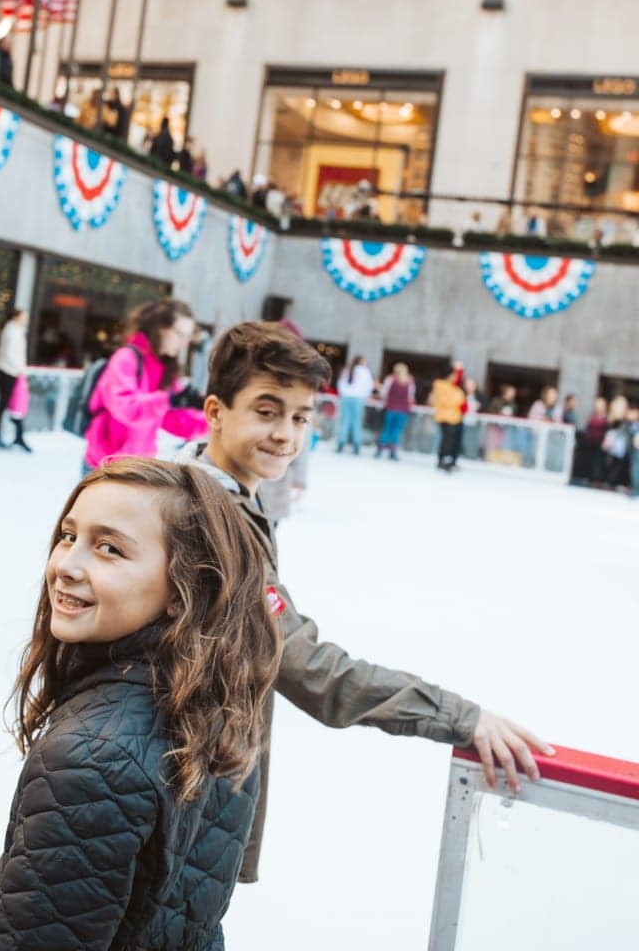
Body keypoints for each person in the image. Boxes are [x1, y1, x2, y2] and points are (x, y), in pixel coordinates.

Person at [177, 322, 552, 884]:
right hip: (184, 802)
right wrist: (458, 717)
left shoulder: (218, 497)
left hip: (194, 799)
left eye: (301, 417)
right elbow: (310, 668)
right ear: (215, 411)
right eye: (267, 410)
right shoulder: (211, 521)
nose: (286, 434)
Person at [0, 457, 281, 950]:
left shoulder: (90, 761)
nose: (66, 565)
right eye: (70, 536)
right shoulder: (220, 709)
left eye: (109, 549)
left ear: (183, 589)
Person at [83, 299, 207, 473]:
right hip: (104, 467)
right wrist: (170, 399)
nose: (185, 344)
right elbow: (126, 408)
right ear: (160, 329)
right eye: (180, 334)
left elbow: (174, 419)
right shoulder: (126, 358)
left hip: (139, 468)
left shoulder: (166, 369)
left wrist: (212, 418)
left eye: (188, 337)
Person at [0, 309, 31, 451]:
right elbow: (10, 354)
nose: (26, 319)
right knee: (8, 404)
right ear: (16, 317)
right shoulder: (12, 331)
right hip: (9, 371)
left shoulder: (14, 330)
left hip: (10, 371)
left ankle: (17, 436)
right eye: (24, 316)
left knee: (12, 405)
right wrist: (21, 370)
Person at [376, 362, 415, 460]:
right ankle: (393, 450)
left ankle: (380, 448)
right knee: (397, 430)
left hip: (391, 408)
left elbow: (383, 393)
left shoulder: (390, 379)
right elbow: (411, 397)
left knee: (387, 428)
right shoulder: (409, 382)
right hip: (403, 410)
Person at [431, 362, 465, 471]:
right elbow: (449, 401)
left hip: (455, 417)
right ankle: (444, 460)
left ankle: (450, 460)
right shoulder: (441, 385)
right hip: (446, 417)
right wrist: (460, 403)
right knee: (447, 441)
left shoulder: (453, 387)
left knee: (453, 441)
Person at [628, 406, 639, 499]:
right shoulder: (631, 423)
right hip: (633, 449)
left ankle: (636, 490)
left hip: (637, 449)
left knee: (635, 469)